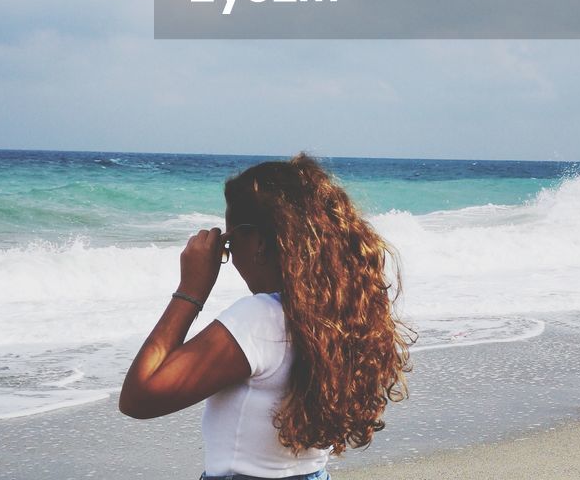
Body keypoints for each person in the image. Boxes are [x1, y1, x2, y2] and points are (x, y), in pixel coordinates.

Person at [119, 154, 412, 480]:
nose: (228, 258)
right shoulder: (336, 316)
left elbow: (138, 397)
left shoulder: (259, 320)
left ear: (259, 242)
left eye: (229, 244)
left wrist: (190, 290)